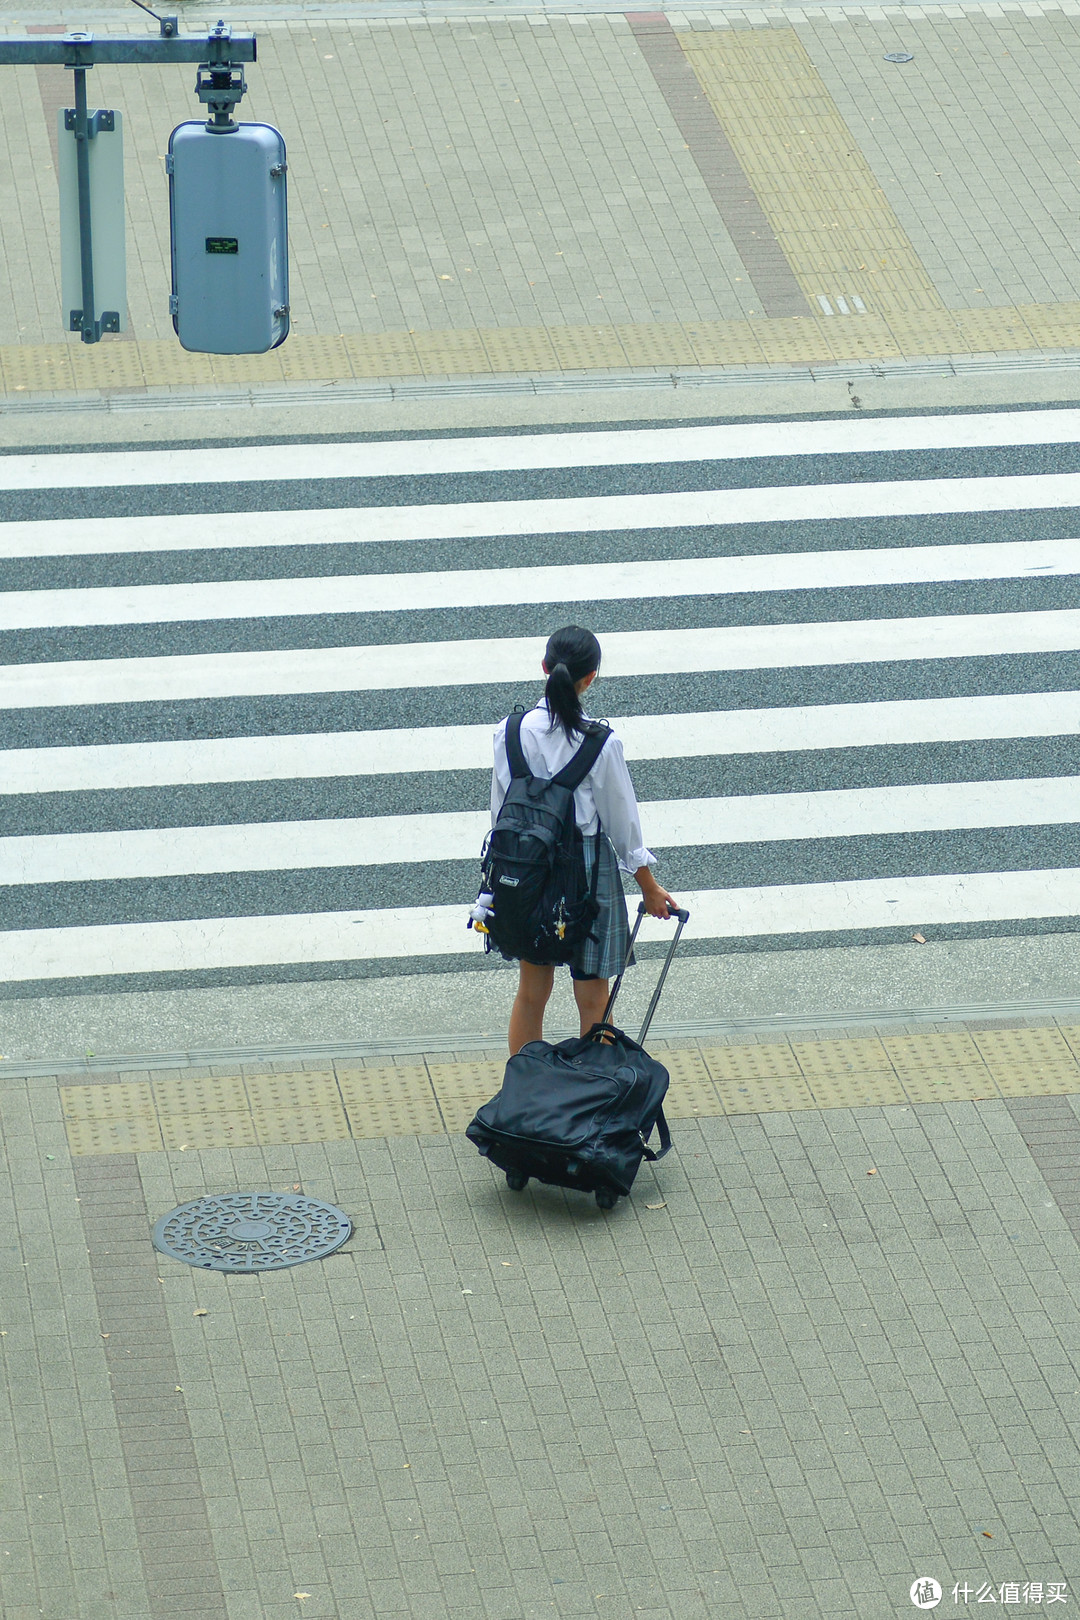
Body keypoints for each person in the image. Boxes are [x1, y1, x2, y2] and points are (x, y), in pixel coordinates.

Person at [491, 625, 678, 1055]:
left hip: (529, 870)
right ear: (591, 677)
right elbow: (622, 824)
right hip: (587, 874)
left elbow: (503, 811)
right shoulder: (601, 743)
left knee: (531, 992)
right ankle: (597, 1099)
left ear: (544, 668)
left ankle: (523, 1095)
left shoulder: (509, 730)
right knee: (594, 998)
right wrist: (648, 889)